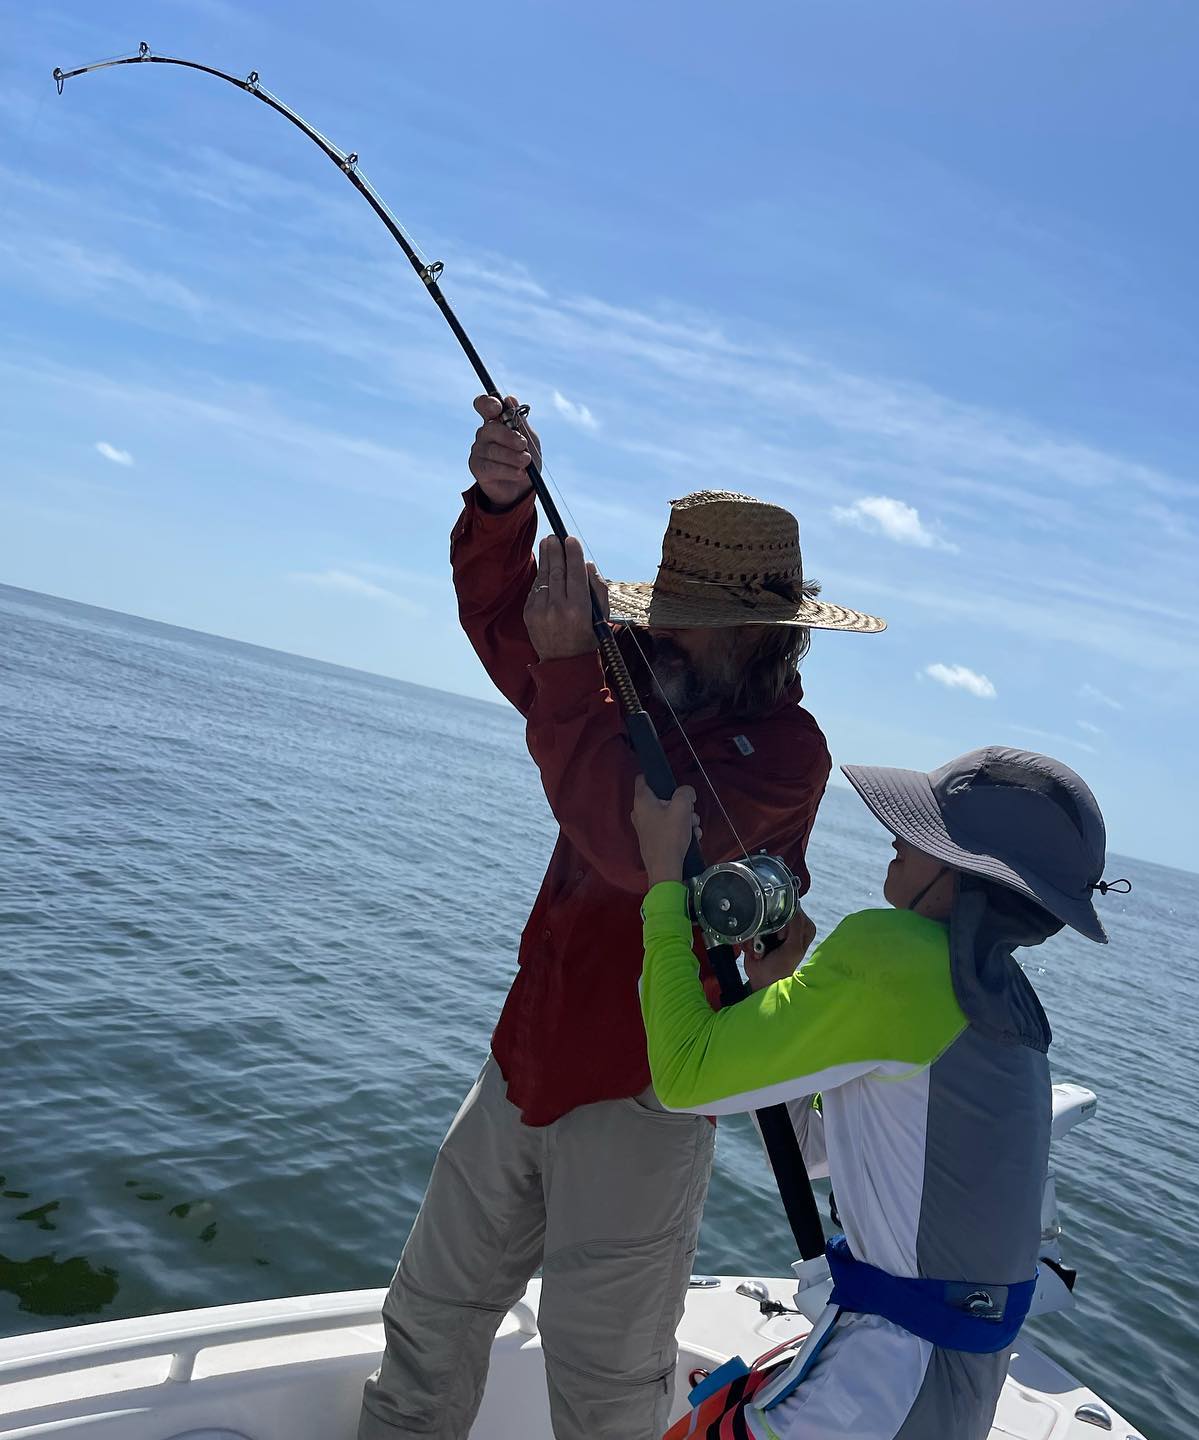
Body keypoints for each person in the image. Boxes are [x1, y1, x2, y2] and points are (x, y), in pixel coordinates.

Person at [357, 395, 884, 1440]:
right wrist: (501, 508)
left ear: (754, 639)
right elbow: (508, 632)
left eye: (689, 617)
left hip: (644, 1092)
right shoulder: (637, 681)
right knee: (427, 1320)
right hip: (524, 1059)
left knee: (605, 1390)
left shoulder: (785, 758)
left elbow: (623, 837)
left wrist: (568, 669)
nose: (659, 630)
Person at [632, 746, 1119, 1440]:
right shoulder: (1011, 1009)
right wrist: (777, 995)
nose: (897, 834)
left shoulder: (891, 951)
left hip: (880, 1394)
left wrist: (660, 885)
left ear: (969, 873)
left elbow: (682, 1077)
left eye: (926, 831)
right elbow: (813, 1152)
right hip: (946, 1395)